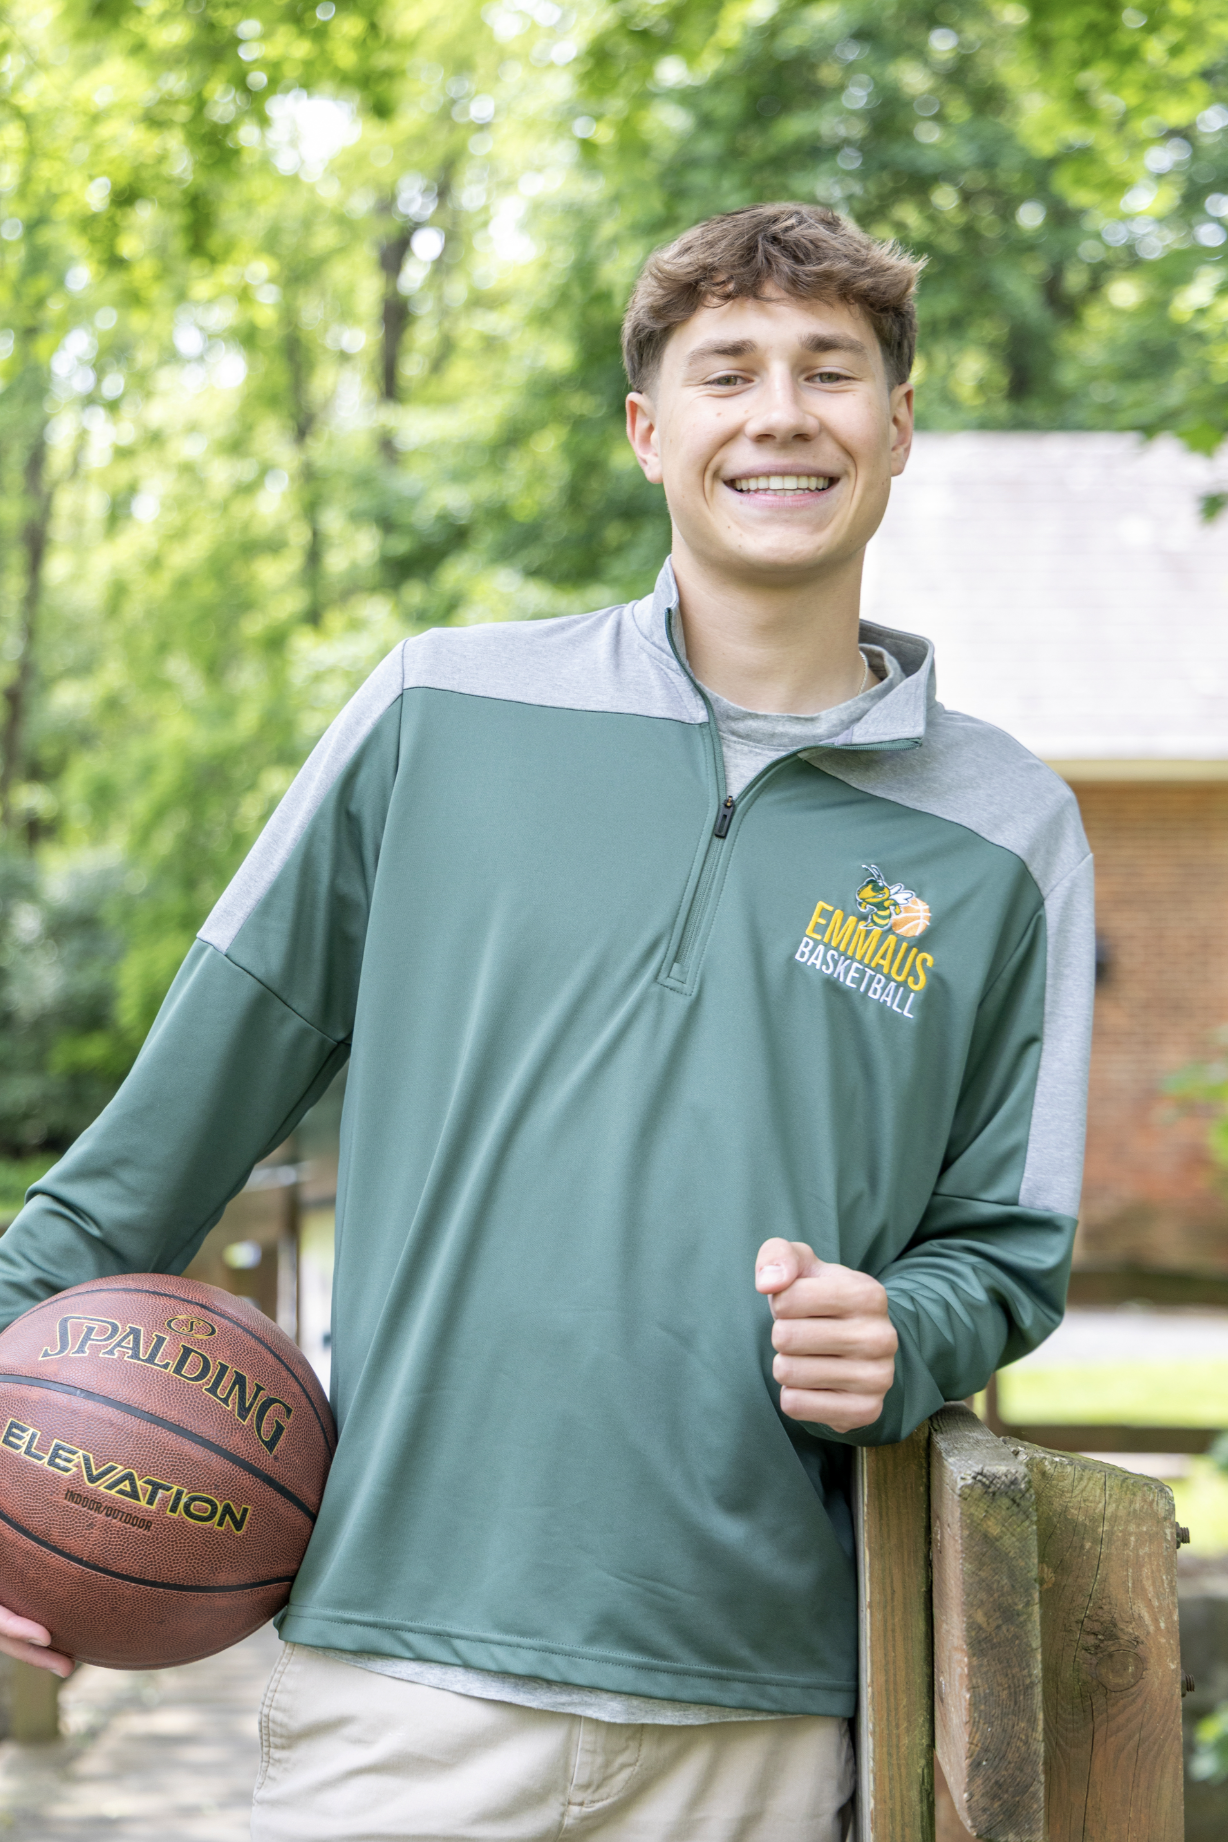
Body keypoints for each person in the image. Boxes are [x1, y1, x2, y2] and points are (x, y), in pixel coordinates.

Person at [0, 203, 1093, 1840]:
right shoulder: (441, 710)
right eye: (728, 371)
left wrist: (905, 1329)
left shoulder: (1010, 831)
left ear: (899, 426)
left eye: (832, 372)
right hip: (398, 1676)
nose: (781, 412)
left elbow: (1004, 1252)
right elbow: (137, 1168)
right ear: (651, 431)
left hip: (762, 1700)